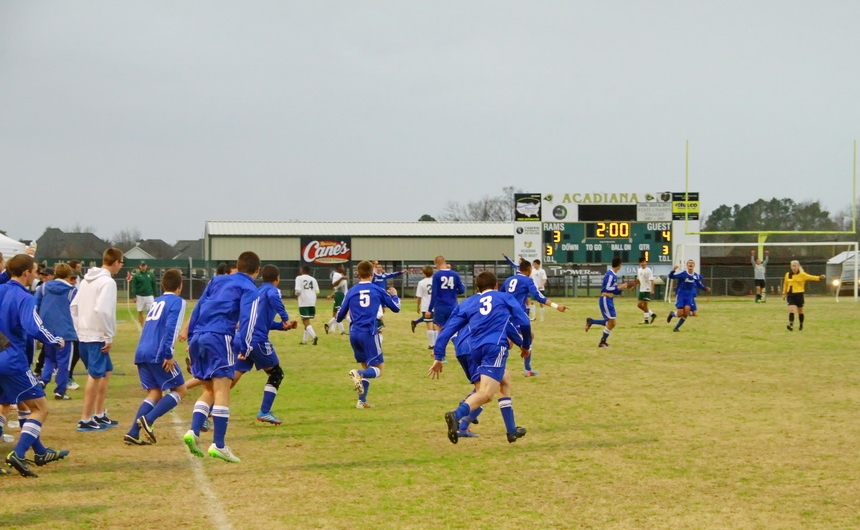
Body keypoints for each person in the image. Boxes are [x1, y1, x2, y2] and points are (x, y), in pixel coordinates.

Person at [429, 271, 531, 444]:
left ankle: (512, 430)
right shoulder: (503, 298)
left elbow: (447, 330)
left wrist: (439, 355)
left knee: (504, 381)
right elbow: (525, 322)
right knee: (486, 393)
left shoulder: (468, 303)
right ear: (496, 286)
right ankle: (457, 415)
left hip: (475, 349)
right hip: (494, 347)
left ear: (477, 288)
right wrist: (525, 345)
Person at [183, 251, 260, 463]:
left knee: (208, 388)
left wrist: (191, 339)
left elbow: (198, 307)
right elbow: (249, 319)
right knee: (223, 388)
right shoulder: (249, 288)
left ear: (237, 265)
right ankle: (219, 444)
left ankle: (193, 432)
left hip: (199, 335)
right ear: (257, 270)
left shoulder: (217, 280)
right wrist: (243, 345)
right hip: (220, 336)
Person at [0, 253, 69, 477]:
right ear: (26, 273)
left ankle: (39, 452)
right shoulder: (24, 296)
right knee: (40, 408)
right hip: (12, 360)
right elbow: (34, 326)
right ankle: (18, 454)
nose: (36, 275)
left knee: (19, 403)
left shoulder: (2, 289)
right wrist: (56, 340)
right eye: (34, 271)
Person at [124, 269, 188, 446]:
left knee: (154, 392)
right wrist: (168, 354)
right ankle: (149, 420)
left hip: (142, 351)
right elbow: (171, 328)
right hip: (158, 353)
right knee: (181, 390)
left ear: (162, 285)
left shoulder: (157, 301)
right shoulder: (178, 302)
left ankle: (133, 432)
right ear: (180, 286)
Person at [232, 264, 297, 425]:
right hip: (257, 341)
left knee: (234, 375)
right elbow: (275, 298)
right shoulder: (273, 290)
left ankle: (211, 406)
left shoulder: (257, 291)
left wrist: (281, 327)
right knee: (276, 374)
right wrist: (285, 318)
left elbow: (261, 321)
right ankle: (265, 411)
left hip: (242, 338)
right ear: (277, 279)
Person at [71, 247, 124, 431]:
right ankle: (85, 418)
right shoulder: (107, 283)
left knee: (106, 371)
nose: (121, 267)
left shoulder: (85, 281)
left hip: (86, 334)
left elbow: (74, 306)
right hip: (96, 336)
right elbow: (102, 310)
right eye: (121, 263)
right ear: (115, 262)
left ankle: (99, 414)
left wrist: (80, 328)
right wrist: (107, 335)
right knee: (94, 376)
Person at [336, 260, 401, 409]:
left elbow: (339, 317)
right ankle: (357, 373)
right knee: (379, 369)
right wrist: (395, 295)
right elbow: (396, 308)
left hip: (353, 334)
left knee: (367, 367)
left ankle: (362, 401)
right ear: (372, 274)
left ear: (358, 274)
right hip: (369, 333)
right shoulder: (377, 289)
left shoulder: (351, 291)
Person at [501, 258, 567, 373]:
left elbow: (499, 295)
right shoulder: (527, 281)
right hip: (517, 315)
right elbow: (539, 297)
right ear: (529, 270)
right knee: (509, 342)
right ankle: (498, 366)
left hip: (505, 314)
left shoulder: (508, 280)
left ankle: (527, 369)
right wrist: (557, 306)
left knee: (529, 336)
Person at [34, 263, 78, 400]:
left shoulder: (44, 287)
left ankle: (43, 379)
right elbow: (77, 311)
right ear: (69, 275)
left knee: (49, 358)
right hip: (65, 331)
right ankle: (60, 390)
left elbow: (36, 306)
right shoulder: (72, 291)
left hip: (47, 330)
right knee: (64, 362)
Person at [425, 255, 465, 344]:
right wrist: (453, 291)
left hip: (440, 307)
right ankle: (459, 348)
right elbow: (462, 289)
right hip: (453, 306)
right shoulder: (455, 274)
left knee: (441, 331)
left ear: (436, 264)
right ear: (445, 262)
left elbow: (434, 294)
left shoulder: (437, 276)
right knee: (453, 330)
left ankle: (441, 355)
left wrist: (429, 309)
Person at [585, 257, 624, 348]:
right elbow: (607, 289)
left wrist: (619, 291)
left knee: (611, 322)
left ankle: (591, 322)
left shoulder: (612, 274)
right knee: (612, 322)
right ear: (619, 265)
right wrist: (619, 288)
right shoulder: (611, 275)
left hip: (609, 300)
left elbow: (611, 289)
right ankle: (602, 342)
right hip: (606, 300)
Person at [666, 259, 710, 332]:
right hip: (681, 295)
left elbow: (699, 284)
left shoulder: (695, 276)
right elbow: (671, 276)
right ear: (687, 265)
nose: (690, 264)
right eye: (689, 263)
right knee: (680, 313)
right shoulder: (683, 274)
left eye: (692, 263)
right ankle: (672, 314)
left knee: (686, 312)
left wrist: (705, 288)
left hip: (689, 296)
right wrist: (673, 270)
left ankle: (676, 328)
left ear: (694, 265)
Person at [782, 260, 824, 331]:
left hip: (799, 294)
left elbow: (811, 277)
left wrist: (819, 278)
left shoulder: (802, 275)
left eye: (795, 266)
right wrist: (784, 293)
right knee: (791, 309)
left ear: (798, 266)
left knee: (800, 311)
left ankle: (801, 325)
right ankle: (791, 325)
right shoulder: (788, 274)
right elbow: (785, 284)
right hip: (791, 294)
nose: (793, 267)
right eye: (792, 266)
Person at [295, 266, 320, 345]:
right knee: (307, 320)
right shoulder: (314, 279)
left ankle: (314, 336)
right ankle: (304, 340)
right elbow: (317, 291)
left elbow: (298, 290)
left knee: (305, 321)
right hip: (312, 302)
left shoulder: (299, 278)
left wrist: (297, 296)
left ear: (302, 270)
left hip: (303, 301)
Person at [411, 265, 435, 349]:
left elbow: (419, 296)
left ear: (424, 273)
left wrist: (418, 306)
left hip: (426, 306)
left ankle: (432, 344)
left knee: (429, 324)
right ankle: (434, 343)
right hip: (436, 306)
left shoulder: (421, 283)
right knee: (434, 325)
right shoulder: (435, 281)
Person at [130, 261, 158, 328]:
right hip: (140, 296)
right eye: (142, 265)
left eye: (144, 265)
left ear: (146, 266)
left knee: (151, 311)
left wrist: (156, 295)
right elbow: (134, 286)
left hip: (149, 295)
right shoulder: (136, 275)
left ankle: (150, 325)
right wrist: (134, 296)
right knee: (140, 311)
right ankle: (142, 326)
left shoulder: (151, 275)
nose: (143, 267)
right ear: (140, 266)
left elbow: (154, 285)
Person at [324, 264, 348, 336]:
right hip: (340, 295)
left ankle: (330, 326)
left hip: (342, 295)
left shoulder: (340, 275)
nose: (344, 268)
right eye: (342, 267)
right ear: (338, 268)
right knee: (341, 314)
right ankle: (340, 330)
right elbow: (334, 284)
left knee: (339, 314)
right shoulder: (337, 275)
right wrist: (342, 278)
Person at [632, 255, 657, 324]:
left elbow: (652, 281)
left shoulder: (648, 270)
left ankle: (646, 319)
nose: (643, 263)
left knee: (643, 304)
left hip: (647, 289)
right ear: (639, 263)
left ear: (646, 262)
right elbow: (638, 279)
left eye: (644, 262)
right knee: (640, 305)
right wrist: (634, 286)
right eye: (641, 262)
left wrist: (652, 289)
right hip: (641, 289)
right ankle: (652, 314)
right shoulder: (639, 270)